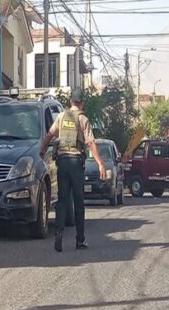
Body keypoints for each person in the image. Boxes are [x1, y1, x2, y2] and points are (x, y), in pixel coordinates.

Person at [40, 88, 106, 252]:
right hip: (76, 162)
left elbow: (49, 135)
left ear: (70, 102)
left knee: (62, 200)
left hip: (62, 162)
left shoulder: (61, 116)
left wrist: (41, 150)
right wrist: (100, 163)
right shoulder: (83, 119)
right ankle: (80, 240)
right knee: (78, 201)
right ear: (82, 102)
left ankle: (59, 234)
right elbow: (90, 143)